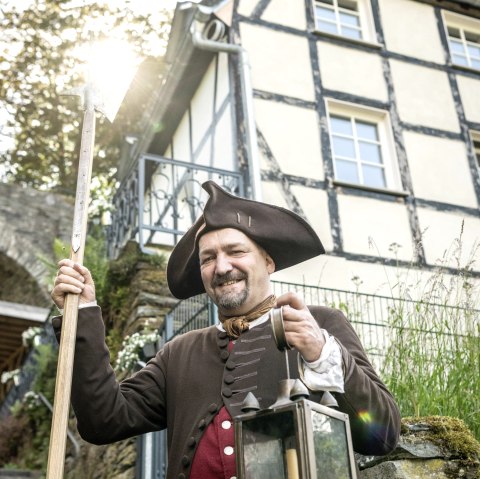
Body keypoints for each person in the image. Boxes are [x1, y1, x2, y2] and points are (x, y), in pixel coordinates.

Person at [51, 180, 400, 479]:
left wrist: (321, 352)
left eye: (236, 251)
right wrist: (81, 311)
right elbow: (102, 421)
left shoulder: (321, 324)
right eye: (208, 258)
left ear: (268, 261)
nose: (222, 266)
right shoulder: (179, 353)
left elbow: (382, 435)